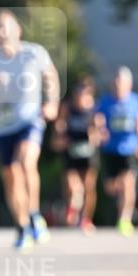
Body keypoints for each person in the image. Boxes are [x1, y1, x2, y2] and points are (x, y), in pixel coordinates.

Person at [0, 10, 60, 250]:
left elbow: (50, 75)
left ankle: (34, 213)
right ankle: (22, 226)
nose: (0, 32)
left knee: (26, 161)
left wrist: (52, 102)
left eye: (5, 27)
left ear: (17, 30)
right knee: (11, 177)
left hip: (30, 119)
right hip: (2, 126)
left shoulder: (33, 53)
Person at [52, 78, 103, 233]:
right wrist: (61, 138)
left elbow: (100, 135)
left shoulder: (94, 111)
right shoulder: (68, 109)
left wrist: (94, 134)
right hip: (71, 154)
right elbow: (58, 133)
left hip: (88, 154)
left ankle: (86, 219)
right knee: (73, 186)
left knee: (89, 186)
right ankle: (73, 206)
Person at [96, 66, 138, 236]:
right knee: (111, 188)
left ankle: (124, 219)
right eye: (115, 82)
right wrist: (100, 132)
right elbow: (98, 121)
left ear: (128, 84)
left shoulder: (135, 101)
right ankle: (123, 205)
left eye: (121, 82)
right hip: (110, 150)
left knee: (128, 182)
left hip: (129, 149)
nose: (118, 86)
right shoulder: (105, 102)